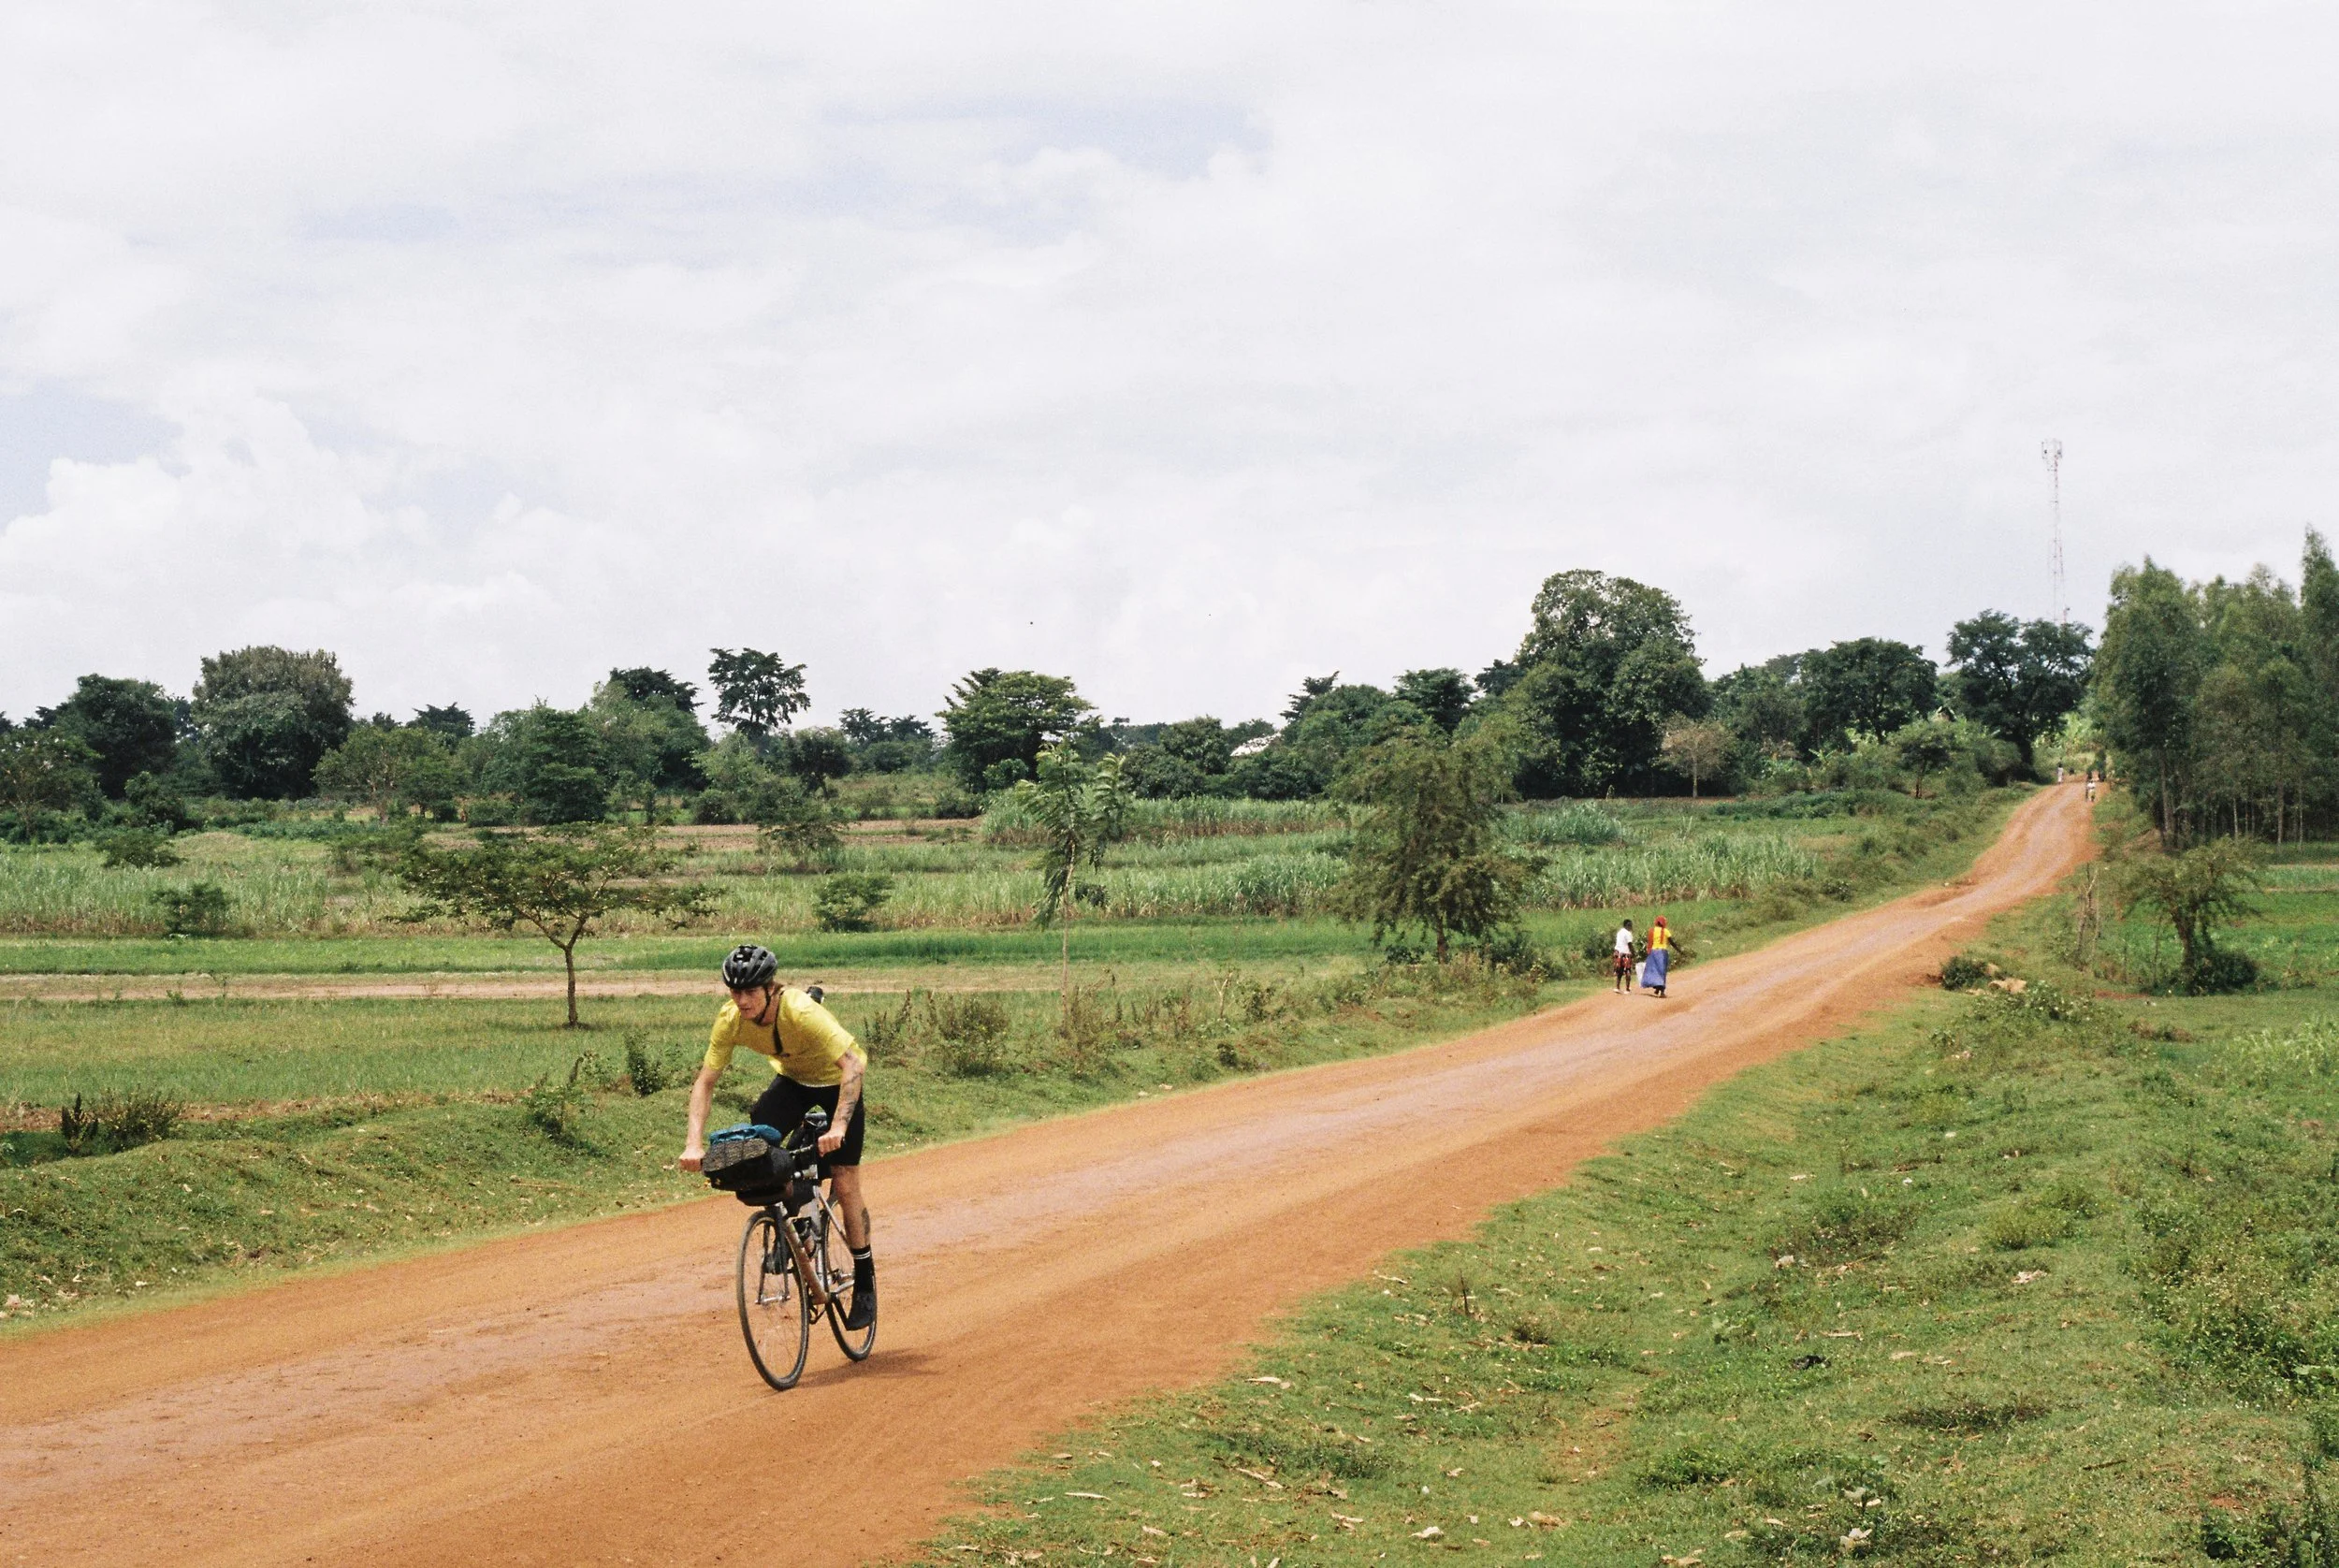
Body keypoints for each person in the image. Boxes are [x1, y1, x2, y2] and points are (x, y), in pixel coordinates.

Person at [679, 944, 877, 1329]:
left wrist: (838, 1127)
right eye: (735, 991)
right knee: (757, 1147)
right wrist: (693, 1143)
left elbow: (852, 1065)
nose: (742, 1000)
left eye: (750, 991)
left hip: (838, 1082)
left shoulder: (800, 1011)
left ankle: (866, 1281)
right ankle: (797, 1220)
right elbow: (705, 1083)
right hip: (793, 1082)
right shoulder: (730, 1020)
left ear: (770, 988)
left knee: (845, 1180)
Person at [1643, 916, 1674, 998]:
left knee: (1654, 971)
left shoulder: (1652, 930)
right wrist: (1679, 950)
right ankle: (1662, 991)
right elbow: (1672, 942)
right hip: (1662, 953)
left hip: (1653, 952)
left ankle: (1657, 988)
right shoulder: (1666, 931)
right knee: (1662, 971)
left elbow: (1649, 942)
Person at [1612, 918, 1637, 993]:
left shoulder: (1619, 932)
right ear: (1627, 925)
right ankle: (1627, 988)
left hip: (1618, 952)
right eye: (1630, 925)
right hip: (1626, 953)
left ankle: (1617, 987)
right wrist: (1634, 953)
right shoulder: (1628, 933)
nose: (1631, 926)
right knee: (1628, 970)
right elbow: (1630, 944)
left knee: (1619, 970)